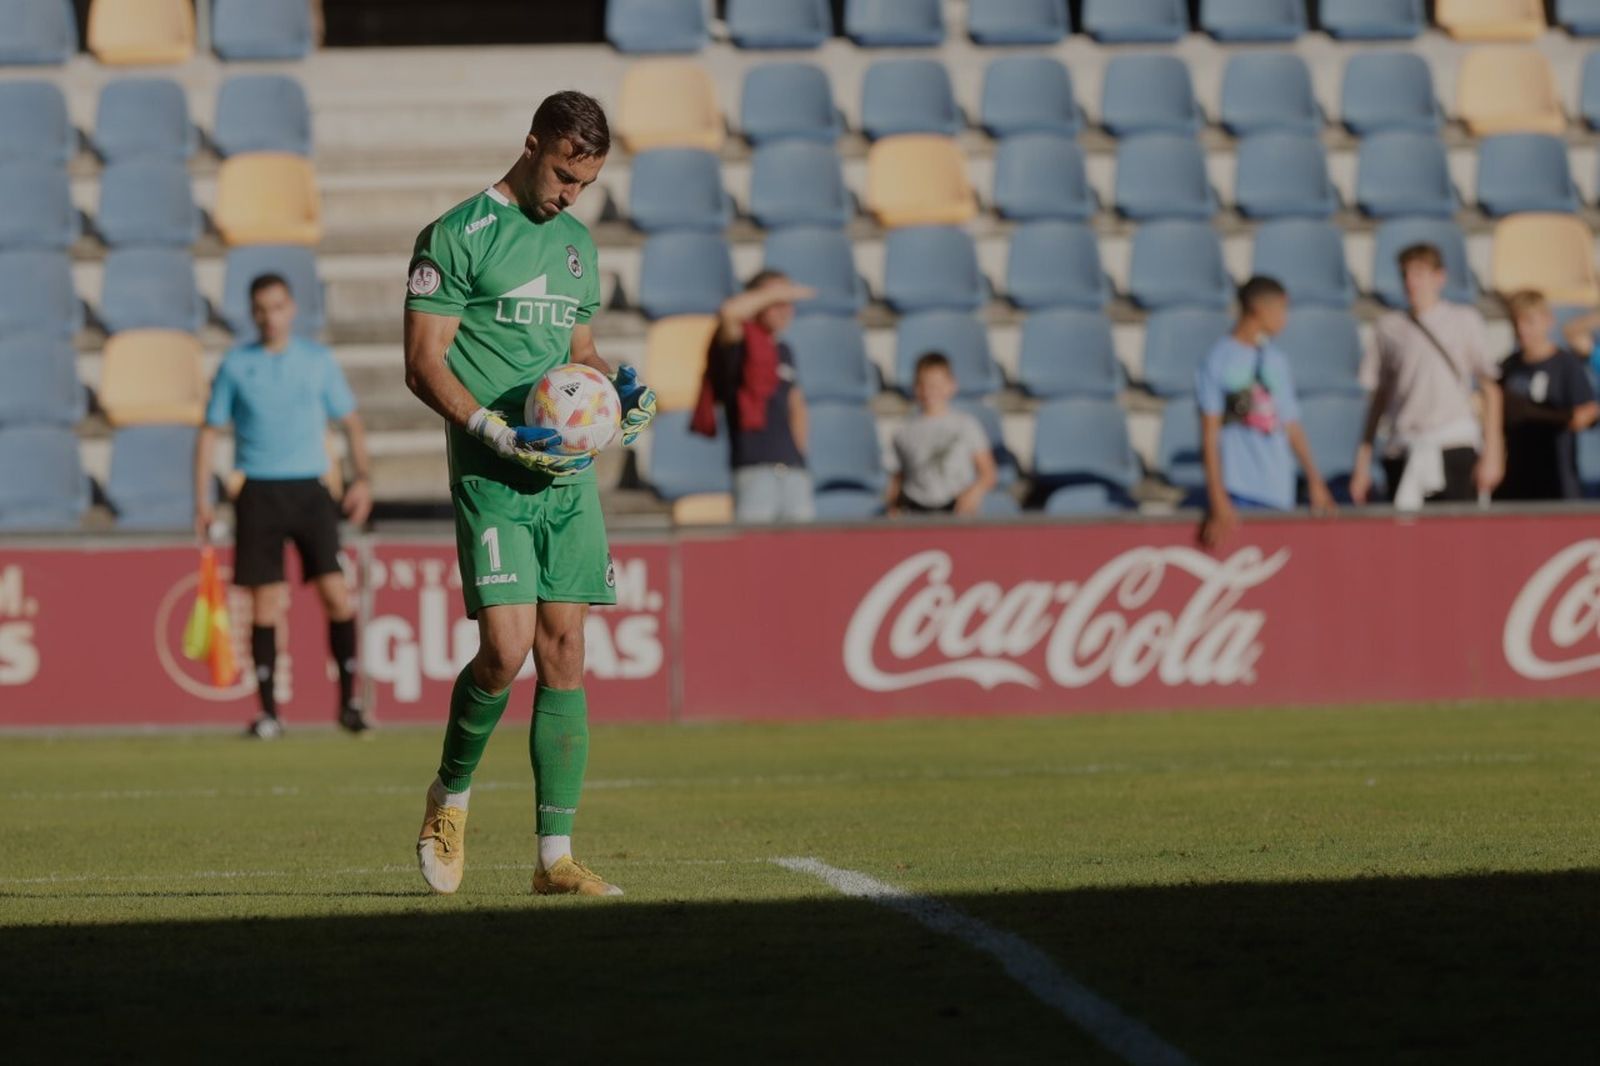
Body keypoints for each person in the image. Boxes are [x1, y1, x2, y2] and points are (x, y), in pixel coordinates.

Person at [402, 91, 656, 898]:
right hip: (494, 470)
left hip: (567, 479)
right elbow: (423, 363)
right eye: (561, 174)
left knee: (565, 653)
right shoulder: (456, 235)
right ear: (532, 144)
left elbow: (579, 351)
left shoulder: (578, 245)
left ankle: (555, 860)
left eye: (584, 184)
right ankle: (449, 797)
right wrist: (494, 431)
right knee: (506, 653)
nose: (569, 195)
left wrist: (619, 390)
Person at [194, 273, 374, 739]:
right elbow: (210, 431)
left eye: (277, 306)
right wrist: (203, 500)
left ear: (290, 308)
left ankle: (349, 704)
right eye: (261, 309)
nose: (269, 316)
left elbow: (351, 422)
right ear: (252, 314)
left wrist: (362, 480)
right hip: (258, 492)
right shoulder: (236, 365)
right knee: (265, 604)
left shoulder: (316, 361)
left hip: (311, 492)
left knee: (337, 594)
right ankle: (270, 713)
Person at [1352, 243, 1504, 509]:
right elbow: (1379, 399)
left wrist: (1493, 454)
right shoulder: (1388, 328)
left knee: (1461, 537)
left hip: (1454, 442)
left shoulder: (1464, 320)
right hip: (1405, 445)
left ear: (1439, 277)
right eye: (1406, 275)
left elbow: (1490, 388)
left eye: (1419, 273)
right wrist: (1362, 464)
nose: (1412, 282)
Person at [1196, 277, 1335, 548]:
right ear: (1261, 309)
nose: (1285, 318)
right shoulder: (1218, 360)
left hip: (1279, 490)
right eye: (1282, 309)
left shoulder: (1276, 359)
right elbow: (1209, 435)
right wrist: (1218, 497)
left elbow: (1291, 424)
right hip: (1239, 491)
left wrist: (1314, 480)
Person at [693, 270, 816, 523]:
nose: (784, 308)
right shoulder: (737, 343)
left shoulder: (784, 351)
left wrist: (800, 458)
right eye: (775, 301)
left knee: (802, 556)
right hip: (754, 470)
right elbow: (729, 312)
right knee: (755, 554)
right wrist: (777, 292)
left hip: (793, 472)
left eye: (787, 302)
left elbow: (797, 407)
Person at [1495, 290, 1598, 501]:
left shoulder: (1565, 364)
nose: (1522, 330)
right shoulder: (1508, 366)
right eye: (1517, 323)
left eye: (1529, 322)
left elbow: (1587, 414)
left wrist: (1534, 414)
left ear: (1547, 321)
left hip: (1557, 480)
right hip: (1516, 479)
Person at [884, 352, 997, 517]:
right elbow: (897, 477)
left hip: (957, 510)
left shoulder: (966, 425)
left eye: (936, 385)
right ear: (916, 387)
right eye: (923, 384)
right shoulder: (903, 430)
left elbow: (988, 473)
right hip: (915, 511)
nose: (930, 391)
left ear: (951, 385)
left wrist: (973, 493)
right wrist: (892, 506)